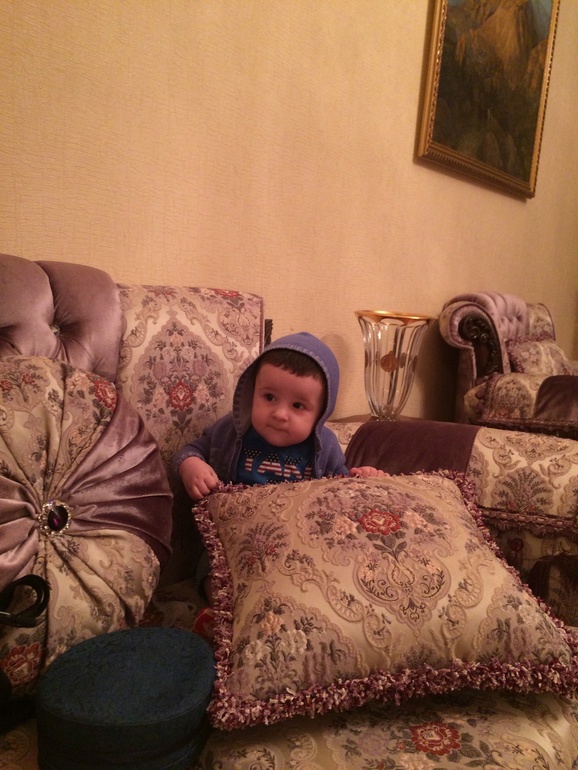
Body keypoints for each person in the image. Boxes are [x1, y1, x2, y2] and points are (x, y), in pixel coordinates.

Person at [172, 331, 384, 635]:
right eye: (269, 397)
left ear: (320, 413)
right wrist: (190, 465)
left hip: (296, 546)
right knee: (213, 574)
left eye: (298, 406)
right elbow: (192, 450)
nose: (280, 414)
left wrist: (361, 479)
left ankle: (288, 618)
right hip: (236, 541)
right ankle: (223, 616)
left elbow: (338, 490)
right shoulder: (231, 431)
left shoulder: (324, 446)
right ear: (252, 393)